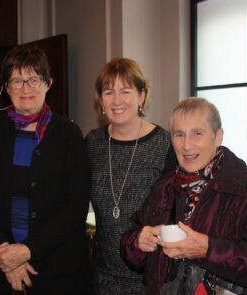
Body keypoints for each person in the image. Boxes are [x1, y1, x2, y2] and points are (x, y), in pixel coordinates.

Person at [120, 97, 247, 294]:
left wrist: (209, 250)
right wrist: (138, 241)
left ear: (218, 136)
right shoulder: (164, 186)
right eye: (179, 134)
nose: (187, 145)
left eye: (197, 133)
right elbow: (133, 242)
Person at [0, 44, 91, 295]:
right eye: (17, 80)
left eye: (34, 79)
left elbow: (76, 206)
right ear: (7, 87)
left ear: (48, 83)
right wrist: (4, 253)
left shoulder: (69, 135)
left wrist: (26, 250)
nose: (25, 88)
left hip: (57, 268)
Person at [85, 58, 176, 294]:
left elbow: (179, 210)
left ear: (142, 96)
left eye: (125, 91)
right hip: (102, 274)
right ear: (100, 100)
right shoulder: (92, 143)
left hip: (151, 276)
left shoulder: (165, 143)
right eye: (108, 92)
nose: (116, 101)